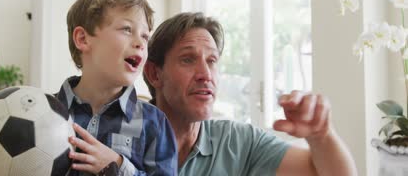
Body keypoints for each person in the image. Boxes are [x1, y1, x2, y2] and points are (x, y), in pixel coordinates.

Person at [0, 0, 178, 176]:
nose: (140, 42)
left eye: (145, 36)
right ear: (82, 39)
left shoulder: (153, 122)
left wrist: (117, 165)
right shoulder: (34, 111)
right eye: (127, 29)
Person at [143, 12, 357, 176]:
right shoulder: (120, 133)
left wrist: (321, 136)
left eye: (212, 61)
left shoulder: (238, 141)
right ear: (154, 74)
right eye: (188, 59)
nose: (205, 74)